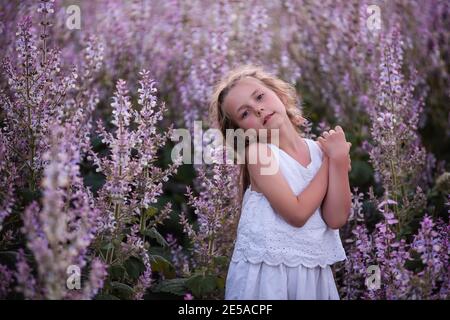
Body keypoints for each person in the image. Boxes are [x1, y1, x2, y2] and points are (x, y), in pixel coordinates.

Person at [208, 64, 352, 300]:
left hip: (312, 273)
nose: (258, 109)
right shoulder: (258, 155)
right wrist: (333, 160)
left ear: (280, 94)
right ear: (242, 131)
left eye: (260, 96)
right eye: (245, 114)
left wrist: (335, 161)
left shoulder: (318, 150)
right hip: (270, 276)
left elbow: (336, 218)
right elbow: (296, 214)